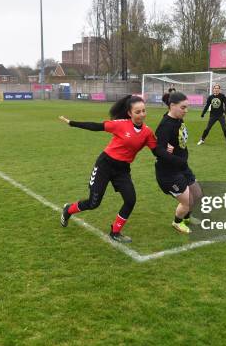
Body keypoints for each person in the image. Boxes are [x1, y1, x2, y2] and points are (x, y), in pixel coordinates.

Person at [59, 95, 158, 243]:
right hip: (105, 165)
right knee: (94, 203)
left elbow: (157, 150)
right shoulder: (120, 124)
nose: (142, 114)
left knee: (130, 200)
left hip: (122, 169)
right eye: (138, 112)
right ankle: (69, 209)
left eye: (144, 111)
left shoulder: (147, 132)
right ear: (130, 113)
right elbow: (96, 126)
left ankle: (115, 232)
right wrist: (72, 123)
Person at [155, 92, 202, 234]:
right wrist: (169, 154)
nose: (186, 111)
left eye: (187, 107)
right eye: (183, 108)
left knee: (197, 194)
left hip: (182, 168)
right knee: (187, 201)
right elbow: (158, 151)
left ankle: (187, 217)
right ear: (172, 106)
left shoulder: (178, 119)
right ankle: (177, 222)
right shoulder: (165, 125)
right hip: (168, 173)